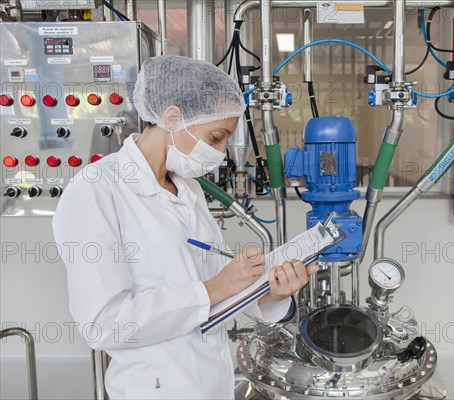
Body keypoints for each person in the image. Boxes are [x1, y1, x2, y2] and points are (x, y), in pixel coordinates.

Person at [52, 55, 318, 399]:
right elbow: (104, 323)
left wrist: (269, 292)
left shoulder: (187, 188)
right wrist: (214, 288)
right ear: (173, 117)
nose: (221, 154)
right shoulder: (96, 191)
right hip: (155, 389)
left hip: (211, 382)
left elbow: (210, 281)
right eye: (217, 137)